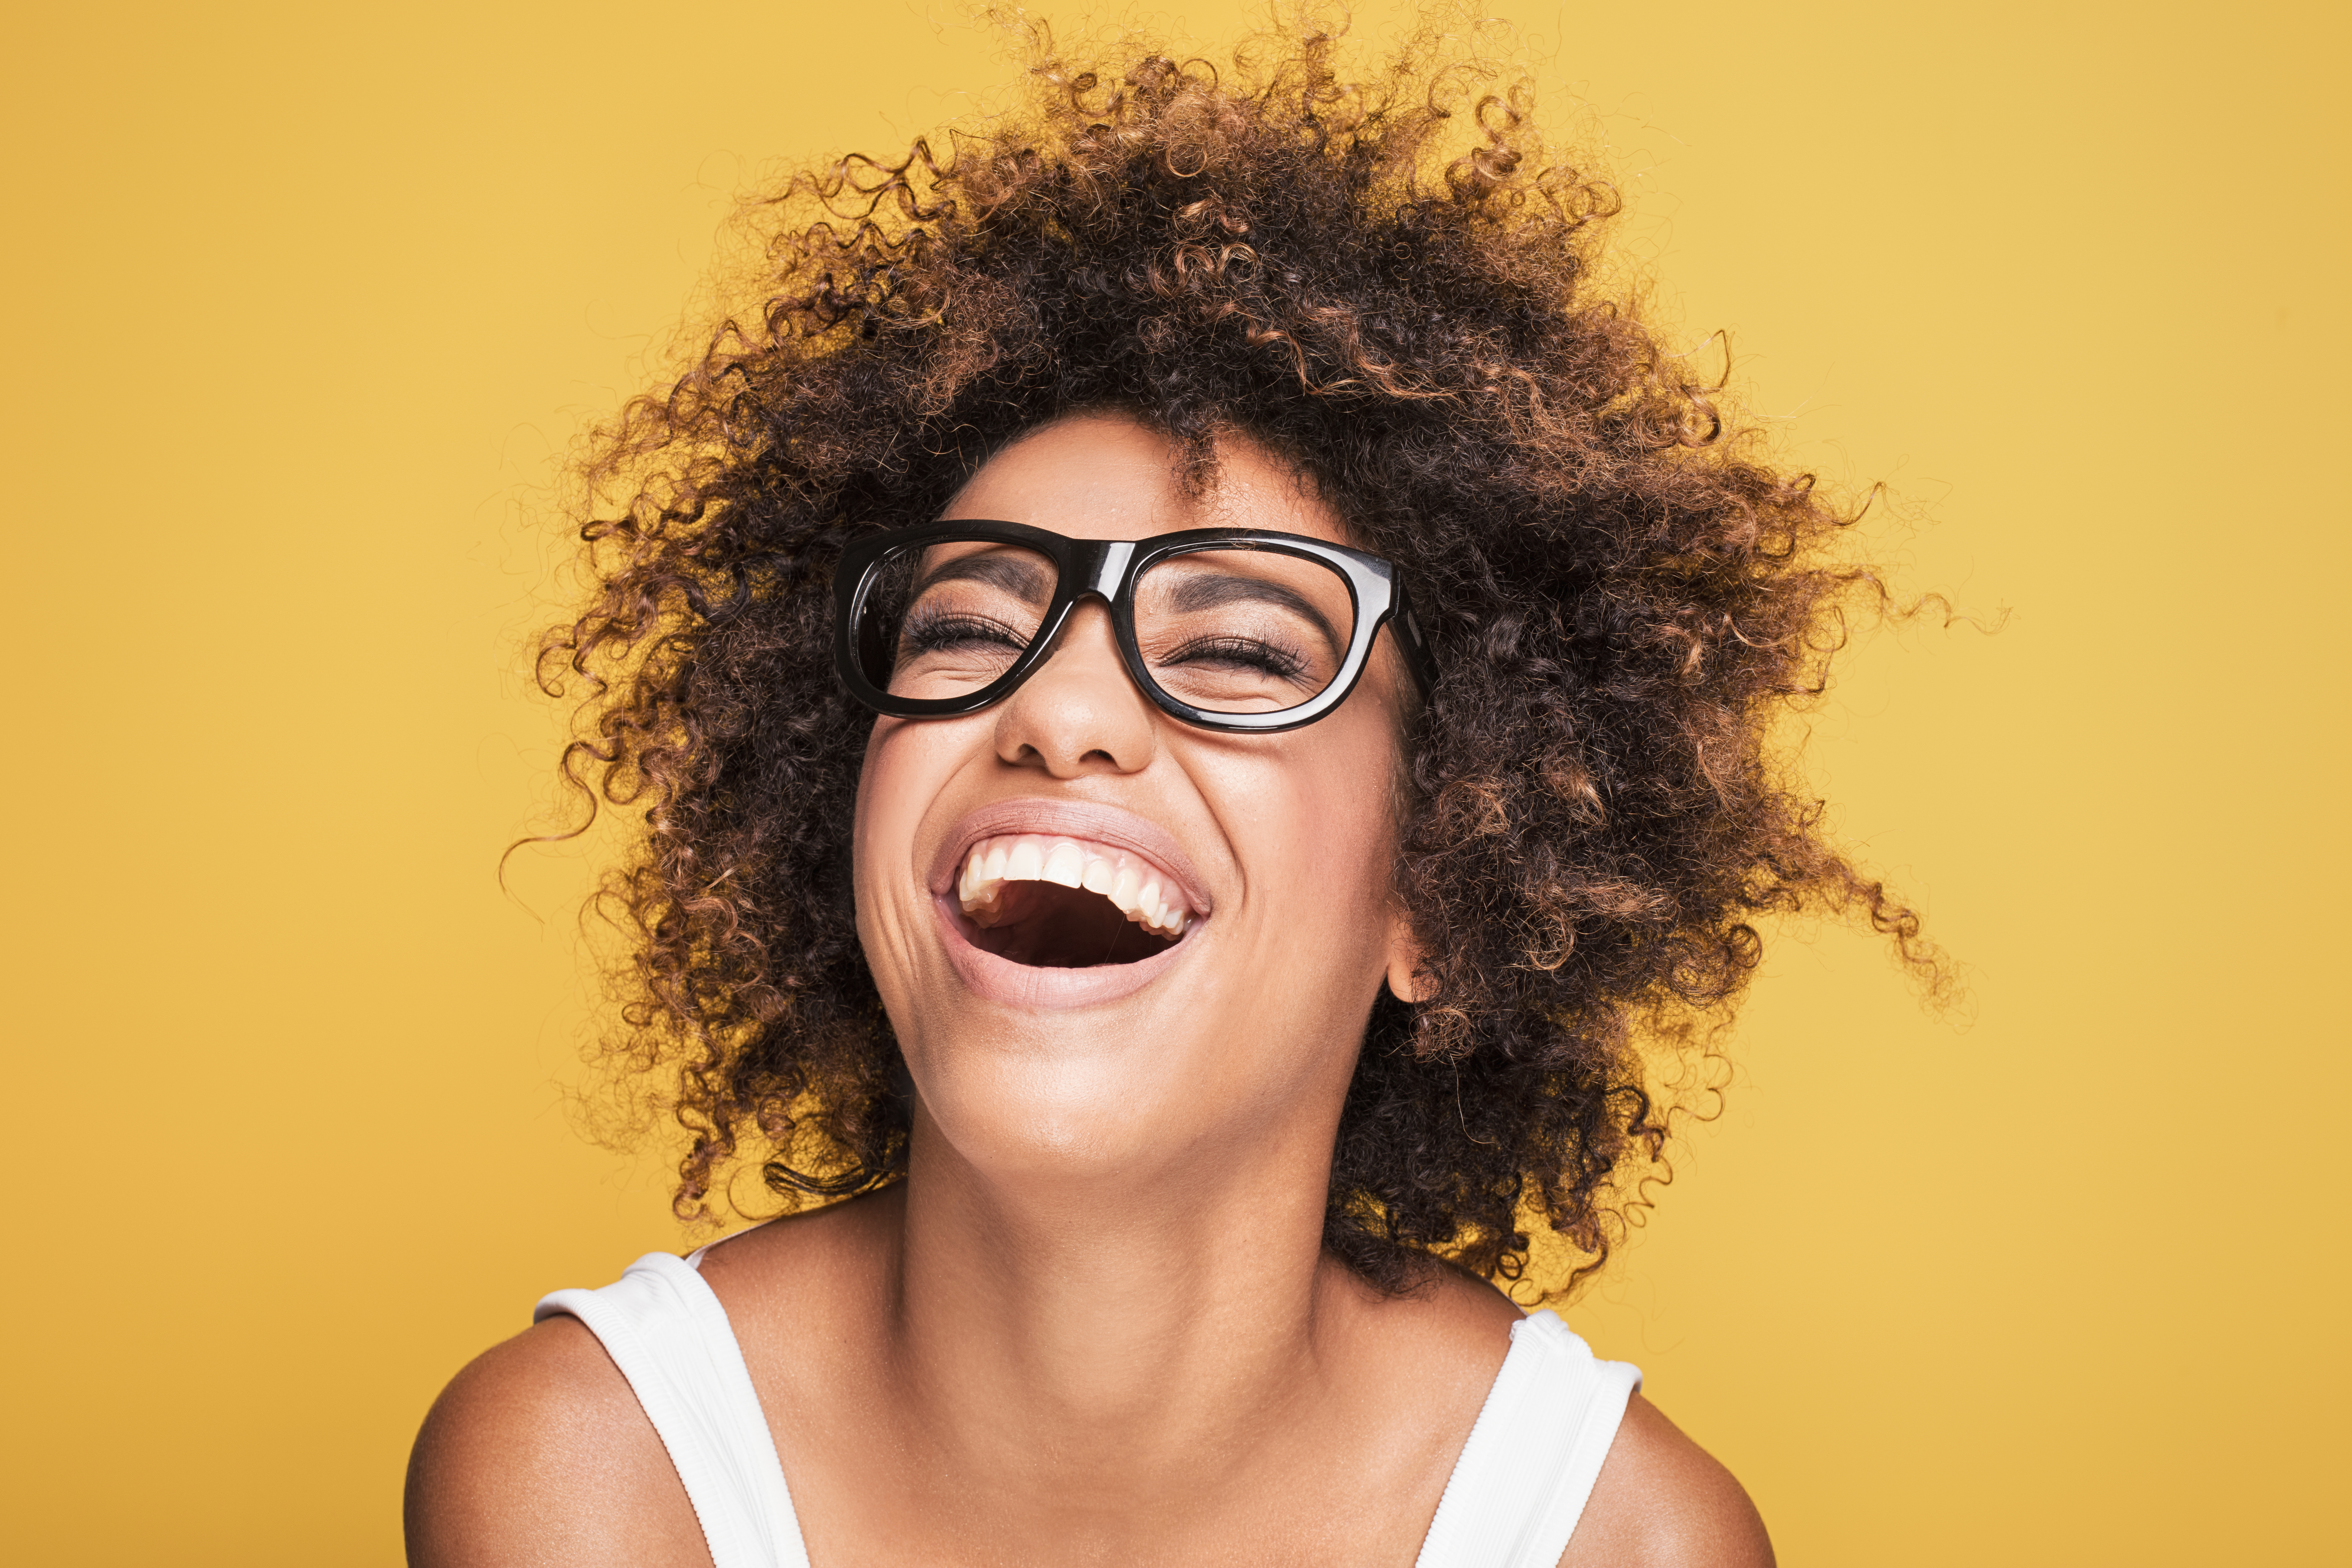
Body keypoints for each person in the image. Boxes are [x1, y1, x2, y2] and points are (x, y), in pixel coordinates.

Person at [407, 22, 1932, 1566]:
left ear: (1445, 888)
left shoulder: (1620, 1542)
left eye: (1245, 653)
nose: (1060, 709)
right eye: (965, 629)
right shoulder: (596, 1479)